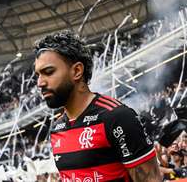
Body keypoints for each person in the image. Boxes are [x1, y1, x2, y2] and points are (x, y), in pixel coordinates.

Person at [34, 30, 161, 182]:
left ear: (76, 71)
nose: (40, 83)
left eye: (48, 72)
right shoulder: (57, 128)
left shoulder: (117, 117)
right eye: (38, 75)